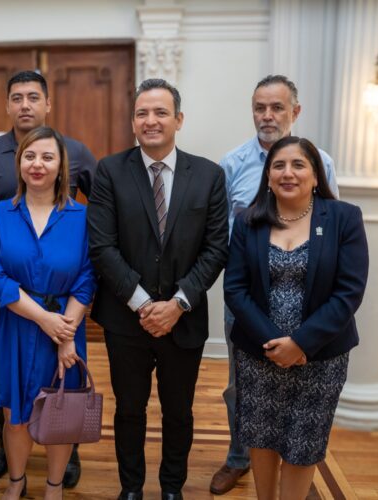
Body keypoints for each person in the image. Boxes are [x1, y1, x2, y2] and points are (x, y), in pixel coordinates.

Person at [87, 79, 229, 500]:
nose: (151, 121)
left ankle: (171, 489)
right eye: (142, 113)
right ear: (133, 121)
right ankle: (131, 488)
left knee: (178, 412)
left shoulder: (208, 175)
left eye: (160, 112)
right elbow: (102, 246)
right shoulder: (110, 171)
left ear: (178, 120)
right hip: (125, 321)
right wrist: (146, 305)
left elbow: (216, 247)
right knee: (129, 411)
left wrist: (178, 304)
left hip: (183, 321)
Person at [0, 70, 96, 486]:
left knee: (61, 411)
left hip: (67, 327)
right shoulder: (0, 214)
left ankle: (55, 486)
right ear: (18, 163)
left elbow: (86, 279)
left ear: (63, 167)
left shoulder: (82, 217)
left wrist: (64, 333)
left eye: (47, 158)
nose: (37, 164)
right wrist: (45, 321)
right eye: (29, 157)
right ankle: (17, 482)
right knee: (14, 413)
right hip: (15, 325)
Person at [212, 74, 339, 495]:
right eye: (259, 108)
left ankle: (292, 470)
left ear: (294, 112)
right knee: (242, 390)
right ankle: (238, 459)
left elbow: (332, 228)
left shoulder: (321, 160)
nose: (267, 116)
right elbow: (223, 236)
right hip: (247, 306)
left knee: (302, 399)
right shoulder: (231, 164)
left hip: (309, 307)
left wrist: (304, 337)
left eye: (277, 107)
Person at [224, 136, 368, 499]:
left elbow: (349, 291)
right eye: (279, 166)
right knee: (261, 436)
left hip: (320, 357)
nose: (289, 173)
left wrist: (300, 343)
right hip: (259, 354)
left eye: (298, 165)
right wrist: (274, 344)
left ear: (316, 175)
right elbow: (235, 290)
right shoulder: (247, 221)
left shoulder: (343, 218)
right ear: (268, 177)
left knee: (304, 442)